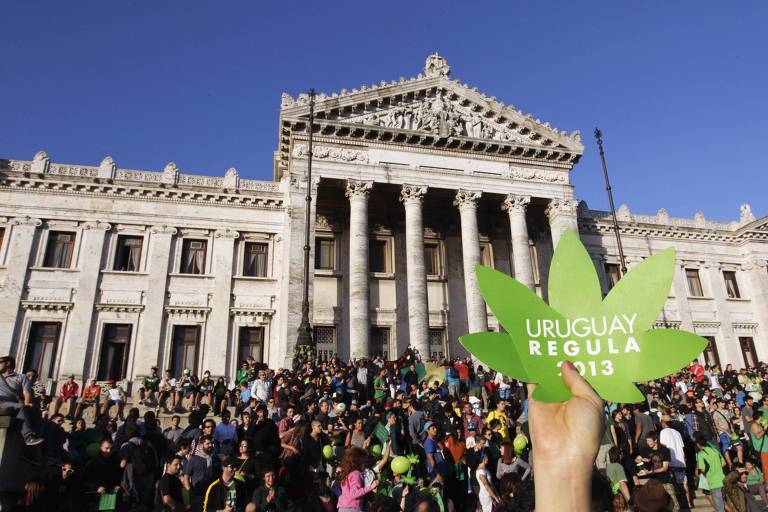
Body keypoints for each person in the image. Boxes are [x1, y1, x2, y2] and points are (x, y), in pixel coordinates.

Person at [0, 355, 43, 445]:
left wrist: (27, 403)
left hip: (10, 404)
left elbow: (26, 392)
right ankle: (28, 436)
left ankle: (32, 443)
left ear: (8, 363)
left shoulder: (21, 377)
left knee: (30, 411)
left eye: (0, 362)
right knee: (21, 407)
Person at [336, 446, 379, 512]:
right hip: (352, 508)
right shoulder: (356, 474)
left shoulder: (347, 473)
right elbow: (354, 494)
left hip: (343, 508)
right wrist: (371, 487)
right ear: (358, 462)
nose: (365, 464)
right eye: (364, 461)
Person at [695, 431, 727, 512]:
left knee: (719, 508)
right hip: (723, 479)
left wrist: (702, 473)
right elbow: (724, 463)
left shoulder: (701, 454)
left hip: (713, 482)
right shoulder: (714, 450)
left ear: (698, 444)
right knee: (725, 503)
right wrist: (717, 468)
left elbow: (703, 469)